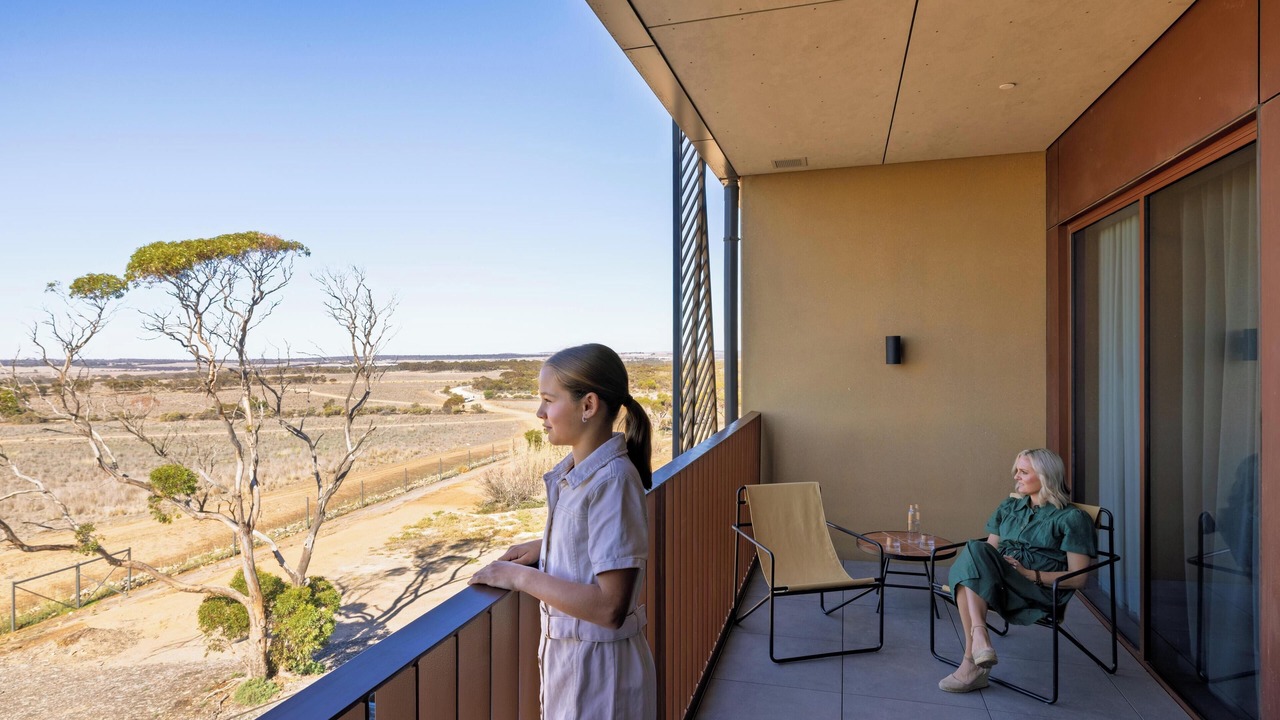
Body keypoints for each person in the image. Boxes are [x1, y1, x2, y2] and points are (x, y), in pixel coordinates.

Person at [468, 343, 657, 719]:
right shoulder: (581, 474)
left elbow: (610, 608)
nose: (540, 413)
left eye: (548, 400)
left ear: (588, 406)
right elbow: (597, 539)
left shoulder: (612, 481)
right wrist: (549, 546)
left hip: (603, 682)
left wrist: (517, 577)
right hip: (580, 670)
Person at [938, 448, 1097, 693]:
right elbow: (985, 556)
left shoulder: (1072, 518)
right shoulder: (1009, 507)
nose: (1016, 477)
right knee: (974, 555)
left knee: (972, 556)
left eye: (1023, 472)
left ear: (1046, 477)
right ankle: (978, 644)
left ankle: (973, 656)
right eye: (1016, 471)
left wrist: (1026, 573)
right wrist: (1000, 567)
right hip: (999, 584)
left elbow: (1079, 578)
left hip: (1035, 592)